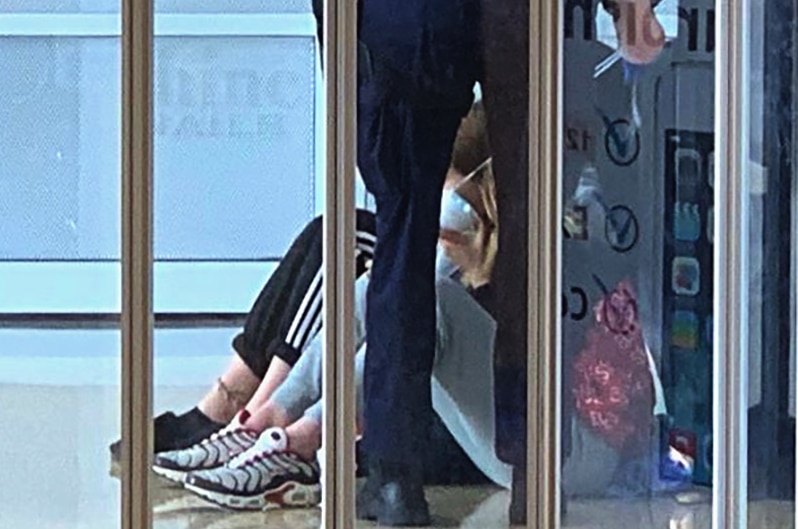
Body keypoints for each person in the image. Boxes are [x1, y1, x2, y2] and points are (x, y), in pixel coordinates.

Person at [150, 156, 506, 512]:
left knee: (416, 294)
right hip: (481, 421)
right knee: (386, 285)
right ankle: (266, 420)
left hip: (531, 450)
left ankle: (297, 443)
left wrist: (466, 222)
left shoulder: (541, 234)